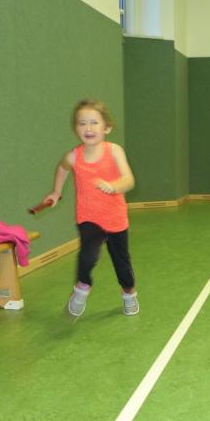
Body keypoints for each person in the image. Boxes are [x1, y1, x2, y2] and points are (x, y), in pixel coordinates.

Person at [42, 99, 139, 318]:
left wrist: (113, 186)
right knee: (88, 255)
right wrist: (56, 191)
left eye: (94, 122)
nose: (88, 128)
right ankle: (81, 288)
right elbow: (62, 167)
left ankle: (129, 293)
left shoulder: (114, 151)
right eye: (82, 123)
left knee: (122, 263)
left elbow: (129, 180)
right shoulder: (73, 156)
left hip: (115, 218)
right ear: (76, 129)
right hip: (88, 217)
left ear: (107, 128)